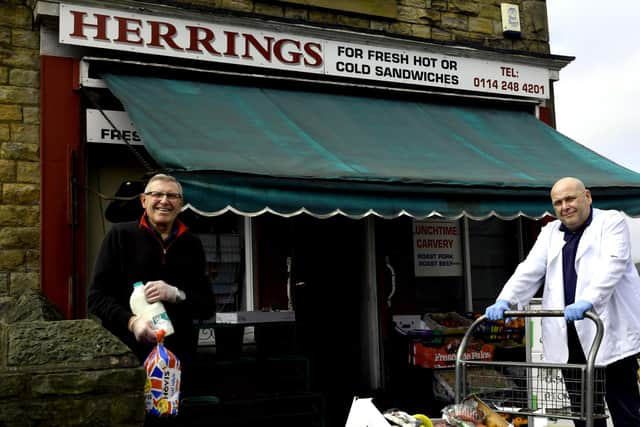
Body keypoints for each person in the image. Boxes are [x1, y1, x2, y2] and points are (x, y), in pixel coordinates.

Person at [485, 177, 640, 427]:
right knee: (584, 414)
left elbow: (614, 265)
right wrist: (506, 300)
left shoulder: (611, 222)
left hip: (610, 334)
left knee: (626, 411)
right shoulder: (550, 232)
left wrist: (587, 301)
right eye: (558, 202)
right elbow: (529, 269)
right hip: (570, 340)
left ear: (587, 197)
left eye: (570, 199)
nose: (564, 206)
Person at [88, 173, 215, 401]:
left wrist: (177, 294)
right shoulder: (120, 235)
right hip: (126, 358)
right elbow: (96, 298)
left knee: (168, 418)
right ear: (143, 201)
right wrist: (132, 322)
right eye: (156, 194)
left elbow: (207, 306)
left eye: (172, 196)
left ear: (181, 204)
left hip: (175, 361)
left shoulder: (192, 244)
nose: (164, 200)